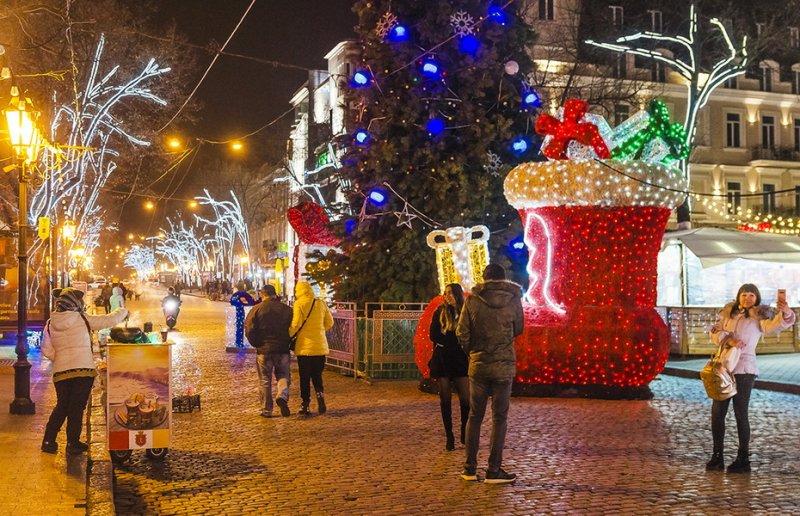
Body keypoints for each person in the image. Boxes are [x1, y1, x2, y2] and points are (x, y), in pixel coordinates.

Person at [706, 283, 795, 473]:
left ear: (757, 298)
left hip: (745, 369)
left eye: (752, 295)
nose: (747, 298)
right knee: (717, 413)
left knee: (740, 413)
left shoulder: (760, 316)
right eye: (744, 294)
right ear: (738, 296)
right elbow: (714, 331)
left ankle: (743, 458)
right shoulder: (728, 313)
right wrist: (728, 339)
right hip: (723, 368)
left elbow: (777, 324)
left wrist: (785, 311)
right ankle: (717, 456)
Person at [456, 263, 523, 484]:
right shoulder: (513, 300)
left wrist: (473, 352)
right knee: (499, 418)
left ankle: (469, 468)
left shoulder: (473, 301)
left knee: (475, 416)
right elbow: (519, 328)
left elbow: (461, 332)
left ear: (484, 279)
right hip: (503, 366)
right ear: (503, 279)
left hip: (479, 365)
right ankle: (494, 470)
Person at [41, 288, 129, 454]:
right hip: (83, 371)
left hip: (61, 372)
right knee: (76, 407)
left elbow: (46, 350)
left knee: (62, 406)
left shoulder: (50, 323)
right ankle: (72, 443)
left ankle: (48, 441)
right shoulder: (82, 319)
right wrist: (122, 311)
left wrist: (59, 358)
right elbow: (107, 320)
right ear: (76, 303)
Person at [429, 283, 469, 451]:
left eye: (451, 293)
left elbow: (468, 333)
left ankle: (464, 432)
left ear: (458, 295)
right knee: (445, 398)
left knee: (466, 399)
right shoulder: (440, 312)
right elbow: (434, 334)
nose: (448, 296)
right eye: (446, 293)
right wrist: (450, 341)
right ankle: (449, 436)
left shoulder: (465, 312)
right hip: (443, 358)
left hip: (459, 358)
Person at [244, 285, 293, 418]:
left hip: (264, 350)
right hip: (282, 348)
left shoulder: (256, 309)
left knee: (265, 380)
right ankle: (282, 395)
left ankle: (266, 410)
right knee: (283, 375)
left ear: (262, 295)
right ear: (275, 294)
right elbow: (294, 328)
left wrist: (257, 344)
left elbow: (249, 329)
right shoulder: (287, 310)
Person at [290, 281, 333, 416]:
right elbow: (330, 322)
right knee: (317, 375)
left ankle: (306, 404)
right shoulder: (320, 303)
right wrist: (319, 331)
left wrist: (289, 335)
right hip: (320, 346)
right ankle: (320, 395)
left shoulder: (299, 304)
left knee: (305, 377)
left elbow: (296, 323)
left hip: (304, 347)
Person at [230, 282, 257, 348]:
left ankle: (238, 342)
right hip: (241, 313)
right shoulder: (244, 294)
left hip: (238, 313)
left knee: (239, 327)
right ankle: (240, 342)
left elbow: (232, 302)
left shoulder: (235, 295)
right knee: (242, 327)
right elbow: (251, 302)